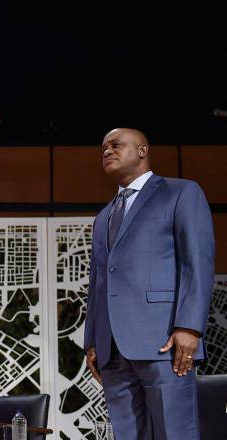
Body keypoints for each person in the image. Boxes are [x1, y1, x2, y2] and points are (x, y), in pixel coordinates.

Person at [84, 128, 214, 439]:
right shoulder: (104, 216)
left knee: (175, 433)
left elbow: (197, 263)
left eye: (116, 145)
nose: (107, 151)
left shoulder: (181, 192)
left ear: (143, 150)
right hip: (113, 349)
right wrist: (92, 340)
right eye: (103, 148)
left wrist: (190, 326)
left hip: (164, 341)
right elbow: (98, 279)